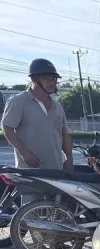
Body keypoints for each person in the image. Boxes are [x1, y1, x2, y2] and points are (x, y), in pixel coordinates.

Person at [1, 58, 73, 204]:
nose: (52, 83)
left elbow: (65, 134)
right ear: (34, 79)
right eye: (47, 79)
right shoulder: (18, 101)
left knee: (56, 211)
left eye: (54, 79)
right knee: (31, 212)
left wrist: (69, 160)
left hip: (55, 169)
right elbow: (7, 128)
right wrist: (24, 152)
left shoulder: (57, 106)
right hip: (30, 169)